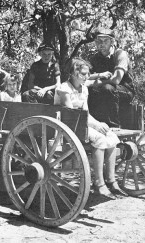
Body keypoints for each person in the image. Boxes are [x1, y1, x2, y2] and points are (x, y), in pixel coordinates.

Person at [54, 58, 127, 199]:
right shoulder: (64, 89)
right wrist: (95, 126)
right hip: (66, 126)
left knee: (111, 136)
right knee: (99, 138)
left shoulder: (84, 89)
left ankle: (111, 180)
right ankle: (99, 183)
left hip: (80, 123)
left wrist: (99, 124)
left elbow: (85, 113)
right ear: (74, 74)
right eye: (83, 74)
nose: (87, 77)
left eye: (88, 74)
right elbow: (72, 114)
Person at [86, 28, 135, 128]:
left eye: (105, 41)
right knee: (87, 90)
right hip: (106, 89)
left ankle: (114, 127)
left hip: (125, 89)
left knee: (107, 88)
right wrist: (98, 76)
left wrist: (96, 82)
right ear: (95, 42)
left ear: (112, 41)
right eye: (99, 41)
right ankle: (92, 124)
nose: (101, 44)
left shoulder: (120, 54)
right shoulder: (95, 58)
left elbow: (116, 80)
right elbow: (84, 77)